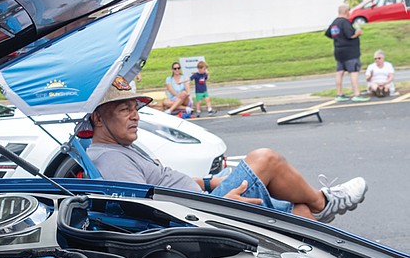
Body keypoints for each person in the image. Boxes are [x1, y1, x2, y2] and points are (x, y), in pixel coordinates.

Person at [87, 76, 368, 222]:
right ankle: (326, 202)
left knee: (302, 211)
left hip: (207, 201)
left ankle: (321, 204)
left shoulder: (121, 148)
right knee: (264, 158)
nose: (135, 116)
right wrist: (220, 204)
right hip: (204, 215)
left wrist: (210, 182)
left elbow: (160, 184)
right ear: (98, 118)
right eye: (125, 109)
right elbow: (147, 213)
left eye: (135, 109)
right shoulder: (111, 158)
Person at [325, 5, 370, 102]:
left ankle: (339, 94)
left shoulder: (335, 22)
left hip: (338, 51)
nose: (350, 12)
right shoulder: (345, 22)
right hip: (350, 51)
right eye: (349, 11)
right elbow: (350, 35)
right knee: (353, 71)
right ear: (346, 11)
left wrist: (338, 38)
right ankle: (357, 94)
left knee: (340, 71)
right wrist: (358, 33)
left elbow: (328, 34)